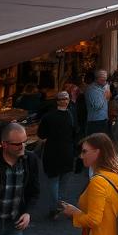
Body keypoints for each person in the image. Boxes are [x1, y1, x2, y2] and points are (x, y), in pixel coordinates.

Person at [61, 133, 118, 235]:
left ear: (97, 152)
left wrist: (74, 213)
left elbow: (94, 220)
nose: (81, 156)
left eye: (84, 151)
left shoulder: (98, 181)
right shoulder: (117, 171)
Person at [38, 90, 77, 220]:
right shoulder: (71, 116)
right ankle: (60, 204)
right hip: (67, 152)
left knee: (53, 181)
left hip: (52, 152)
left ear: (57, 102)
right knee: (63, 181)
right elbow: (75, 133)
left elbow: (41, 134)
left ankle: (54, 208)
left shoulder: (48, 117)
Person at [84, 70, 111, 135]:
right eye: (102, 79)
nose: (105, 81)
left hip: (103, 119)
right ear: (96, 78)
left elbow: (107, 100)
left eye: (105, 78)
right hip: (95, 121)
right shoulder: (91, 89)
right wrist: (105, 94)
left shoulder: (102, 88)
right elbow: (97, 106)